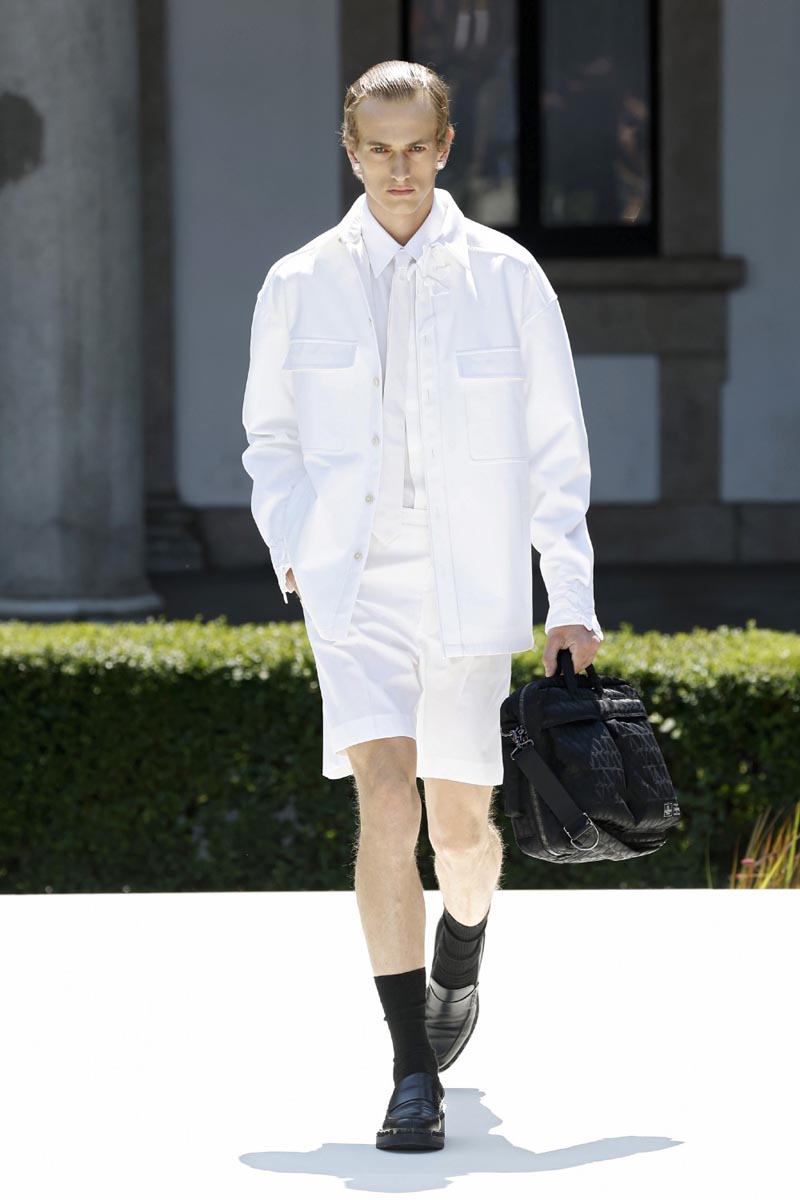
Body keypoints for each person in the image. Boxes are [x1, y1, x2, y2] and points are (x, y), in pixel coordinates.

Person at [241, 60, 604, 1152]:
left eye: (416, 148)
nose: (397, 170)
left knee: (459, 832)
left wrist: (569, 596)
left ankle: (462, 948)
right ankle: (411, 1071)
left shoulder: (507, 275)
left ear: (444, 148)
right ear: (350, 152)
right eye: (377, 149)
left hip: (470, 585)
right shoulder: (298, 281)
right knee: (386, 806)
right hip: (351, 586)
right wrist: (295, 548)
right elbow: (269, 439)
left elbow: (556, 446)